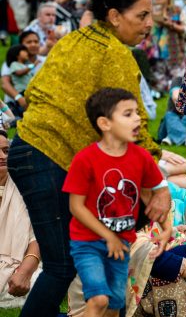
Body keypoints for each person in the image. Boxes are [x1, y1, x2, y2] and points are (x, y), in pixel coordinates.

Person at [7, 0, 172, 317]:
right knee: (61, 265)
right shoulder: (116, 55)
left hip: (29, 150)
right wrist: (158, 184)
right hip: (44, 157)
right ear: (114, 16)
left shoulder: (73, 40)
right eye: (141, 15)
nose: (148, 23)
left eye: (150, 14)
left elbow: (36, 93)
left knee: (69, 258)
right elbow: (134, 126)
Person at [62, 88, 171, 317]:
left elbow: (157, 196)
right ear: (105, 123)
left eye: (137, 113)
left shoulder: (141, 157)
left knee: (114, 304)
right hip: (88, 244)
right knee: (99, 299)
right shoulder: (85, 159)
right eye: (128, 114)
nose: (138, 118)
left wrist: (167, 230)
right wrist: (108, 236)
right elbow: (75, 207)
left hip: (122, 244)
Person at [0, 129, 40, 308]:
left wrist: (25, 272)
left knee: (40, 280)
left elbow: (38, 237)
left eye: (6, 151)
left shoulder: (27, 186)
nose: (2, 156)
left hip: (22, 263)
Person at [1, 30, 46, 118]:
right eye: (29, 42)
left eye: (36, 42)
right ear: (21, 45)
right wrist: (19, 98)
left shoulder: (45, 60)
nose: (33, 44)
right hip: (17, 103)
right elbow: (5, 84)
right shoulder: (11, 62)